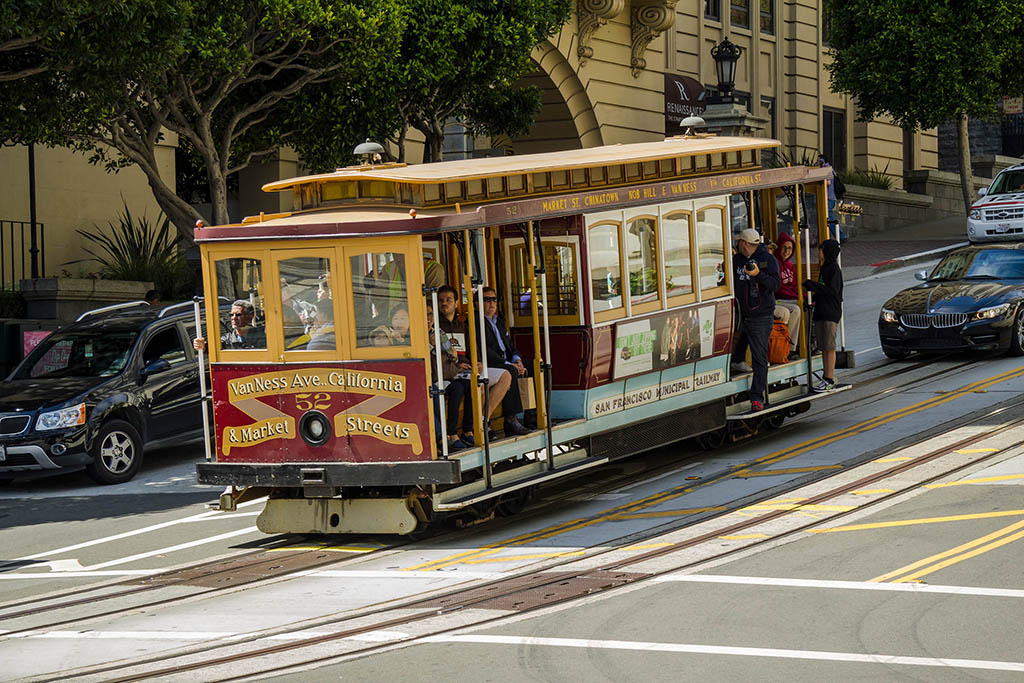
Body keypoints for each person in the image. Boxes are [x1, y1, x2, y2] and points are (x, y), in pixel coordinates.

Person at [731, 228, 781, 412]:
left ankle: (757, 397)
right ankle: (737, 359)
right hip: (740, 313)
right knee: (739, 339)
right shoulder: (736, 260)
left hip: (761, 315)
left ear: (745, 243)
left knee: (760, 358)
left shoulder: (767, 259)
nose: (738, 245)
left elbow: (775, 284)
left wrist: (758, 275)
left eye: (740, 243)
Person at [481, 286, 531, 436]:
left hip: (506, 361)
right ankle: (510, 419)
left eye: (494, 299)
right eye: (487, 299)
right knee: (510, 371)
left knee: (534, 367)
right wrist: (509, 364)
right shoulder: (476, 323)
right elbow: (485, 351)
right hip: (492, 363)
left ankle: (532, 415)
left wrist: (517, 359)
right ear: (478, 303)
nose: (491, 303)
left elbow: (509, 346)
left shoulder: (498, 321)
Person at [803, 239, 844, 392]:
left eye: (821, 250)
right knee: (823, 347)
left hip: (830, 312)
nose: (818, 252)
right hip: (821, 311)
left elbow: (832, 290)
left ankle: (829, 378)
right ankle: (825, 377)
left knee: (829, 346)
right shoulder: (825, 268)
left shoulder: (833, 269)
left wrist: (812, 286)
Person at [193, 299, 266, 351]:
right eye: (231, 315)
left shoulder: (262, 337)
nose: (233, 318)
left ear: (250, 316)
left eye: (238, 315)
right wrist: (201, 345)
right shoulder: (228, 339)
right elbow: (211, 348)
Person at [773, 232, 802, 360]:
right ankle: (788, 347)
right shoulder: (776, 263)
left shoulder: (790, 265)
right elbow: (779, 288)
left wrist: (802, 295)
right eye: (784, 247)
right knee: (796, 309)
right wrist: (796, 296)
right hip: (778, 299)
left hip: (790, 297)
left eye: (790, 248)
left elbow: (794, 284)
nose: (786, 251)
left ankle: (799, 345)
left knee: (805, 307)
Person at [819, 154, 846, 243]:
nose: (817, 162)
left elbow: (828, 182)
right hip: (831, 197)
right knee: (827, 217)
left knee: (829, 218)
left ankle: (841, 236)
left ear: (823, 161)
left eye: (819, 160)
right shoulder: (830, 169)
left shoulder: (826, 169)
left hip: (828, 197)